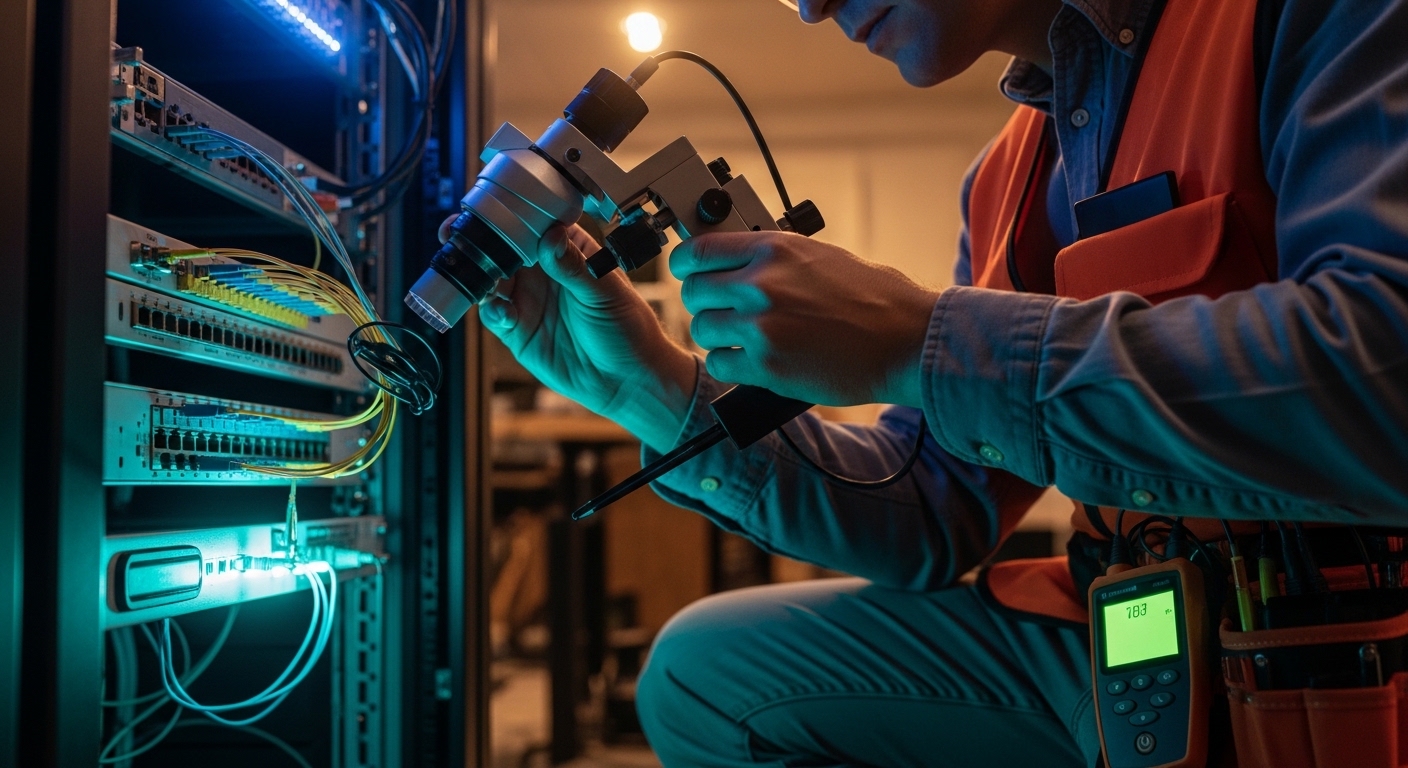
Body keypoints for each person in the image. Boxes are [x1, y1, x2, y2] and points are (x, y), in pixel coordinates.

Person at [460, 0, 1408, 764]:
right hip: (1115, 624)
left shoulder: (1308, 17)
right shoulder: (1003, 181)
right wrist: (654, 388)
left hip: (1340, 639)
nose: (809, 7)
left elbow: (1384, 376)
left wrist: (923, 341)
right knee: (709, 676)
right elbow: (928, 512)